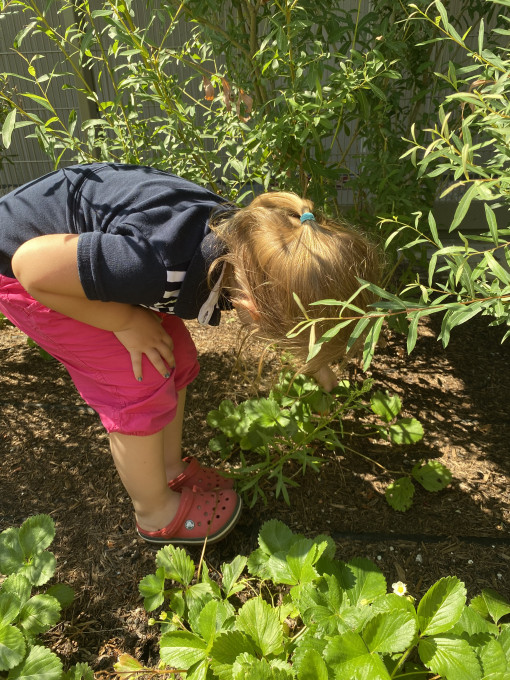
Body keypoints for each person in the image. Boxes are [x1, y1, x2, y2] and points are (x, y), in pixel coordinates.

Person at [0, 162, 380, 547]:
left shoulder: (254, 240)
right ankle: (154, 512)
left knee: (174, 352)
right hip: (31, 273)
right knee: (136, 378)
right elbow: (31, 265)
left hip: (78, 264)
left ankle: (168, 468)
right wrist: (126, 322)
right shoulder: (154, 262)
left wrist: (318, 365)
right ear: (253, 309)